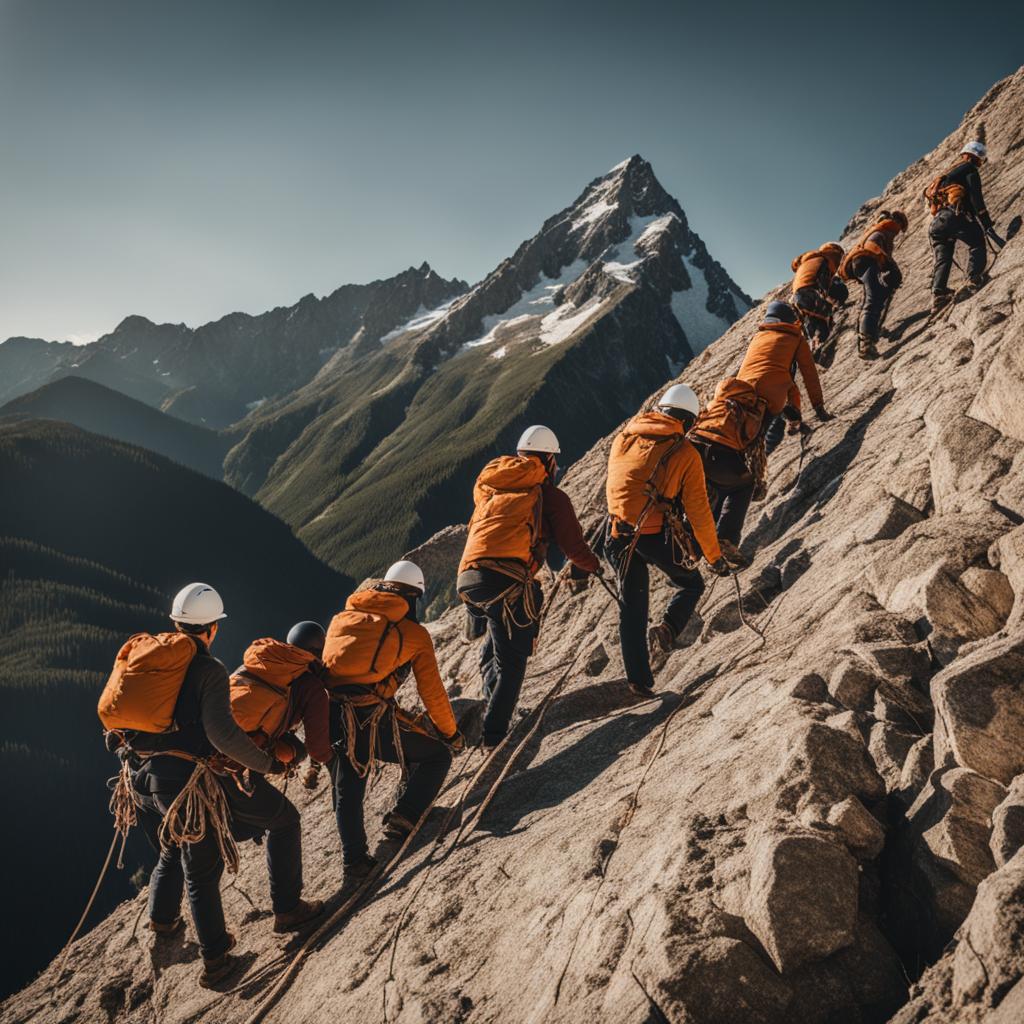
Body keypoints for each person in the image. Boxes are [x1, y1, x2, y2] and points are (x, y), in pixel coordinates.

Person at [98, 583, 323, 988]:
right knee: (260, 834)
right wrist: (268, 763)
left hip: (140, 777)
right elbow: (223, 736)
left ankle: (163, 920)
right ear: (213, 629)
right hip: (182, 782)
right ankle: (224, 955)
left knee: (174, 844)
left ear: (175, 621)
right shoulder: (208, 670)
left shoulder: (152, 663)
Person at [457, 426, 600, 746]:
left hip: (469, 579)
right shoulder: (549, 495)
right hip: (505, 581)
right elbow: (574, 549)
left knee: (495, 644)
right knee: (513, 662)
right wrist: (594, 566)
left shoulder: (493, 485)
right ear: (548, 460)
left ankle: (492, 703)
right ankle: (494, 735)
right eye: (555, 462)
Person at [323, 561, 465, 884]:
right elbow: (432, 691)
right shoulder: (413, 634)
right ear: (414, 597)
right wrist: (450, 733)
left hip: (332, 715)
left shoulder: (345, 617)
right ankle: (405, 817)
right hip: (369, 718)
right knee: (437, 756)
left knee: (348, 786)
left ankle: (355, 862)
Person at [605, 386, 730, 696]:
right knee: (692, 584)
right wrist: (714, 558)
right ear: (687, 422)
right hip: (651, 536)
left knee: (632, 608)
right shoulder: (685, 453)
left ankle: (639, 681)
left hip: (616, 536)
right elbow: (699, 510)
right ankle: (668, 629)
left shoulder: (625, 437)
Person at [228, 621, 334, 771]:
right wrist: (329, 757)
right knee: (297, 751)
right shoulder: (310, 686)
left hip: (218, 725)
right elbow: (317, 750)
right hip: (245, 743)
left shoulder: (265, 659)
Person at [736, 300, 831, 456]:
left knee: (742, 434)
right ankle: (754, 469)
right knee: (772, 432)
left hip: (741, 391)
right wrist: (818, 406)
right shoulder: (795, 338)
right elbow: (809, 375)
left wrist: (794, 411)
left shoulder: (758, 337)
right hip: (770, 394)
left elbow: (782, 379)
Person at [689, 377, 769, 563]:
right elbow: (752, 446)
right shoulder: (747, 412)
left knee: (710, 494)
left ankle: (692, 549)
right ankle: (727, 539)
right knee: (743, 485)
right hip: (720, 454)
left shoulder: (712, 406)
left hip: (693, 451)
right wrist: (757, 482)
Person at [927, 140, 1005, 313]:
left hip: (937, 223)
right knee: (977, 242)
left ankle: (938, 295)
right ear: (976, 159)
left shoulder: (947, 175)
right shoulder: (970, 170)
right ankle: (974, 277)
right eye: (979, 161)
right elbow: (976, 198)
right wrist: (986, 224)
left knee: (943, 257)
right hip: (955, 217)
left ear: (964, 154)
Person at [838, 210, 908, 359]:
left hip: (859, 261)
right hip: (867, 259)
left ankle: (870, 331)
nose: (899, 230)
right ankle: (866, 341)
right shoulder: (887, 228)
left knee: (876, 293)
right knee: (873, 296)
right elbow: (878, 249)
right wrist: (892, 267)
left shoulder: (877, 228)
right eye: (901, 226)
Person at [789, 242, 848, 353]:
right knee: (830, 311)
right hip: (809, 294)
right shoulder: (822, 261)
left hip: (798, 298)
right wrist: (835, 303)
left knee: (820, 327)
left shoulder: (808, 263)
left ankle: (815, 350)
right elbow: (823, 284)